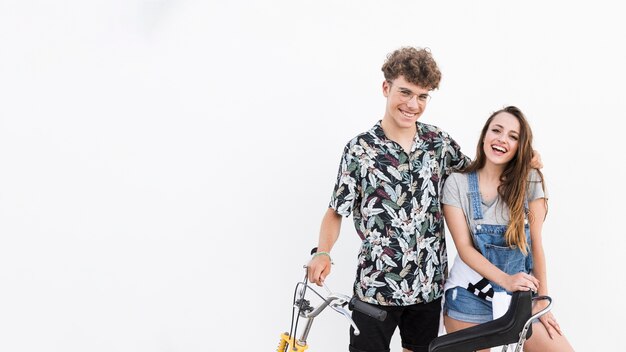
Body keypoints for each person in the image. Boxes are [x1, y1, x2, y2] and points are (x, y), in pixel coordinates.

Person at [307, 46, 470, 352]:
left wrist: (524, 162)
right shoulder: (360, 150)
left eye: (422, 96)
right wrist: (323, 253)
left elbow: (478, 177)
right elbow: (335, 210)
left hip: (428, 288)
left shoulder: (439, 143)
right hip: (376, 289)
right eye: (405, 92)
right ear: (386, 87)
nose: (413, 104)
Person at [441, 106, 573, 351]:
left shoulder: (529, 180)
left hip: (519, 298)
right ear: (484, 136)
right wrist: (506, 280)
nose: (502, 139)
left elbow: (536, 244)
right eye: (497, 130)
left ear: (520, 146)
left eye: (513, 136)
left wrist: (541, 301)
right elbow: (465, 249)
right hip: (469, 294)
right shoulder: (456, 184)